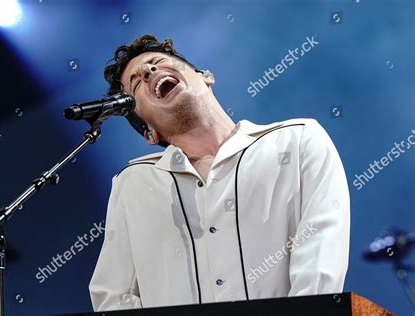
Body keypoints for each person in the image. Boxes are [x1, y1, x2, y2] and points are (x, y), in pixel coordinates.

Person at [89, 34, 350, 311]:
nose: (150, 71)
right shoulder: (134, 183)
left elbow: (320, 257)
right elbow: (114, 296)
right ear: (149, 133)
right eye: (137, 82)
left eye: (157, 63)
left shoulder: (297, 141)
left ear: (206, 77)